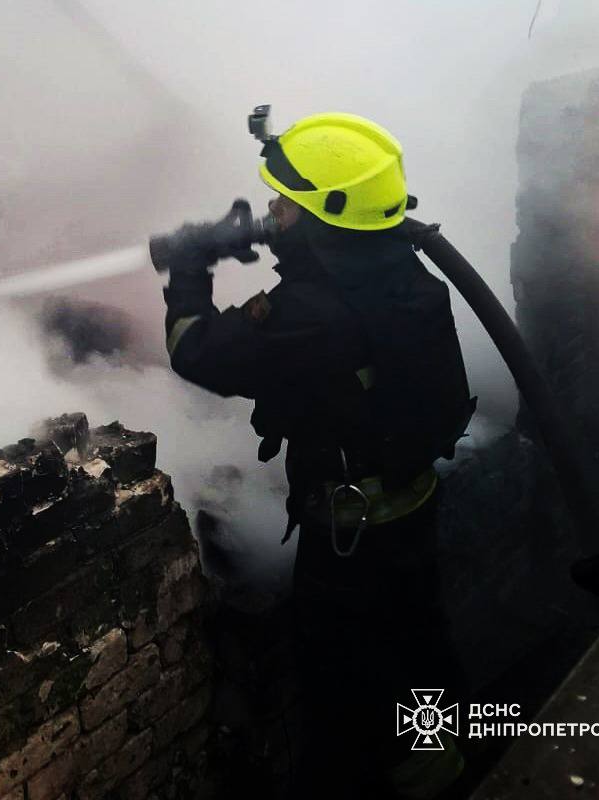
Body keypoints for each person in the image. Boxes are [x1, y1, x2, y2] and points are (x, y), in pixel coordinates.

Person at [161, 112, 474, 798]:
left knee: (348, 687)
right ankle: (448, 758)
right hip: (411, 506)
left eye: (284, 203)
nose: (272, 212)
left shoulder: (312, 313)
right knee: (418, 648)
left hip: (351, 540)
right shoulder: (395, 267)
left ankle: (404, 782)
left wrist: (187, 267)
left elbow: (196, 351)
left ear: (325, 214)